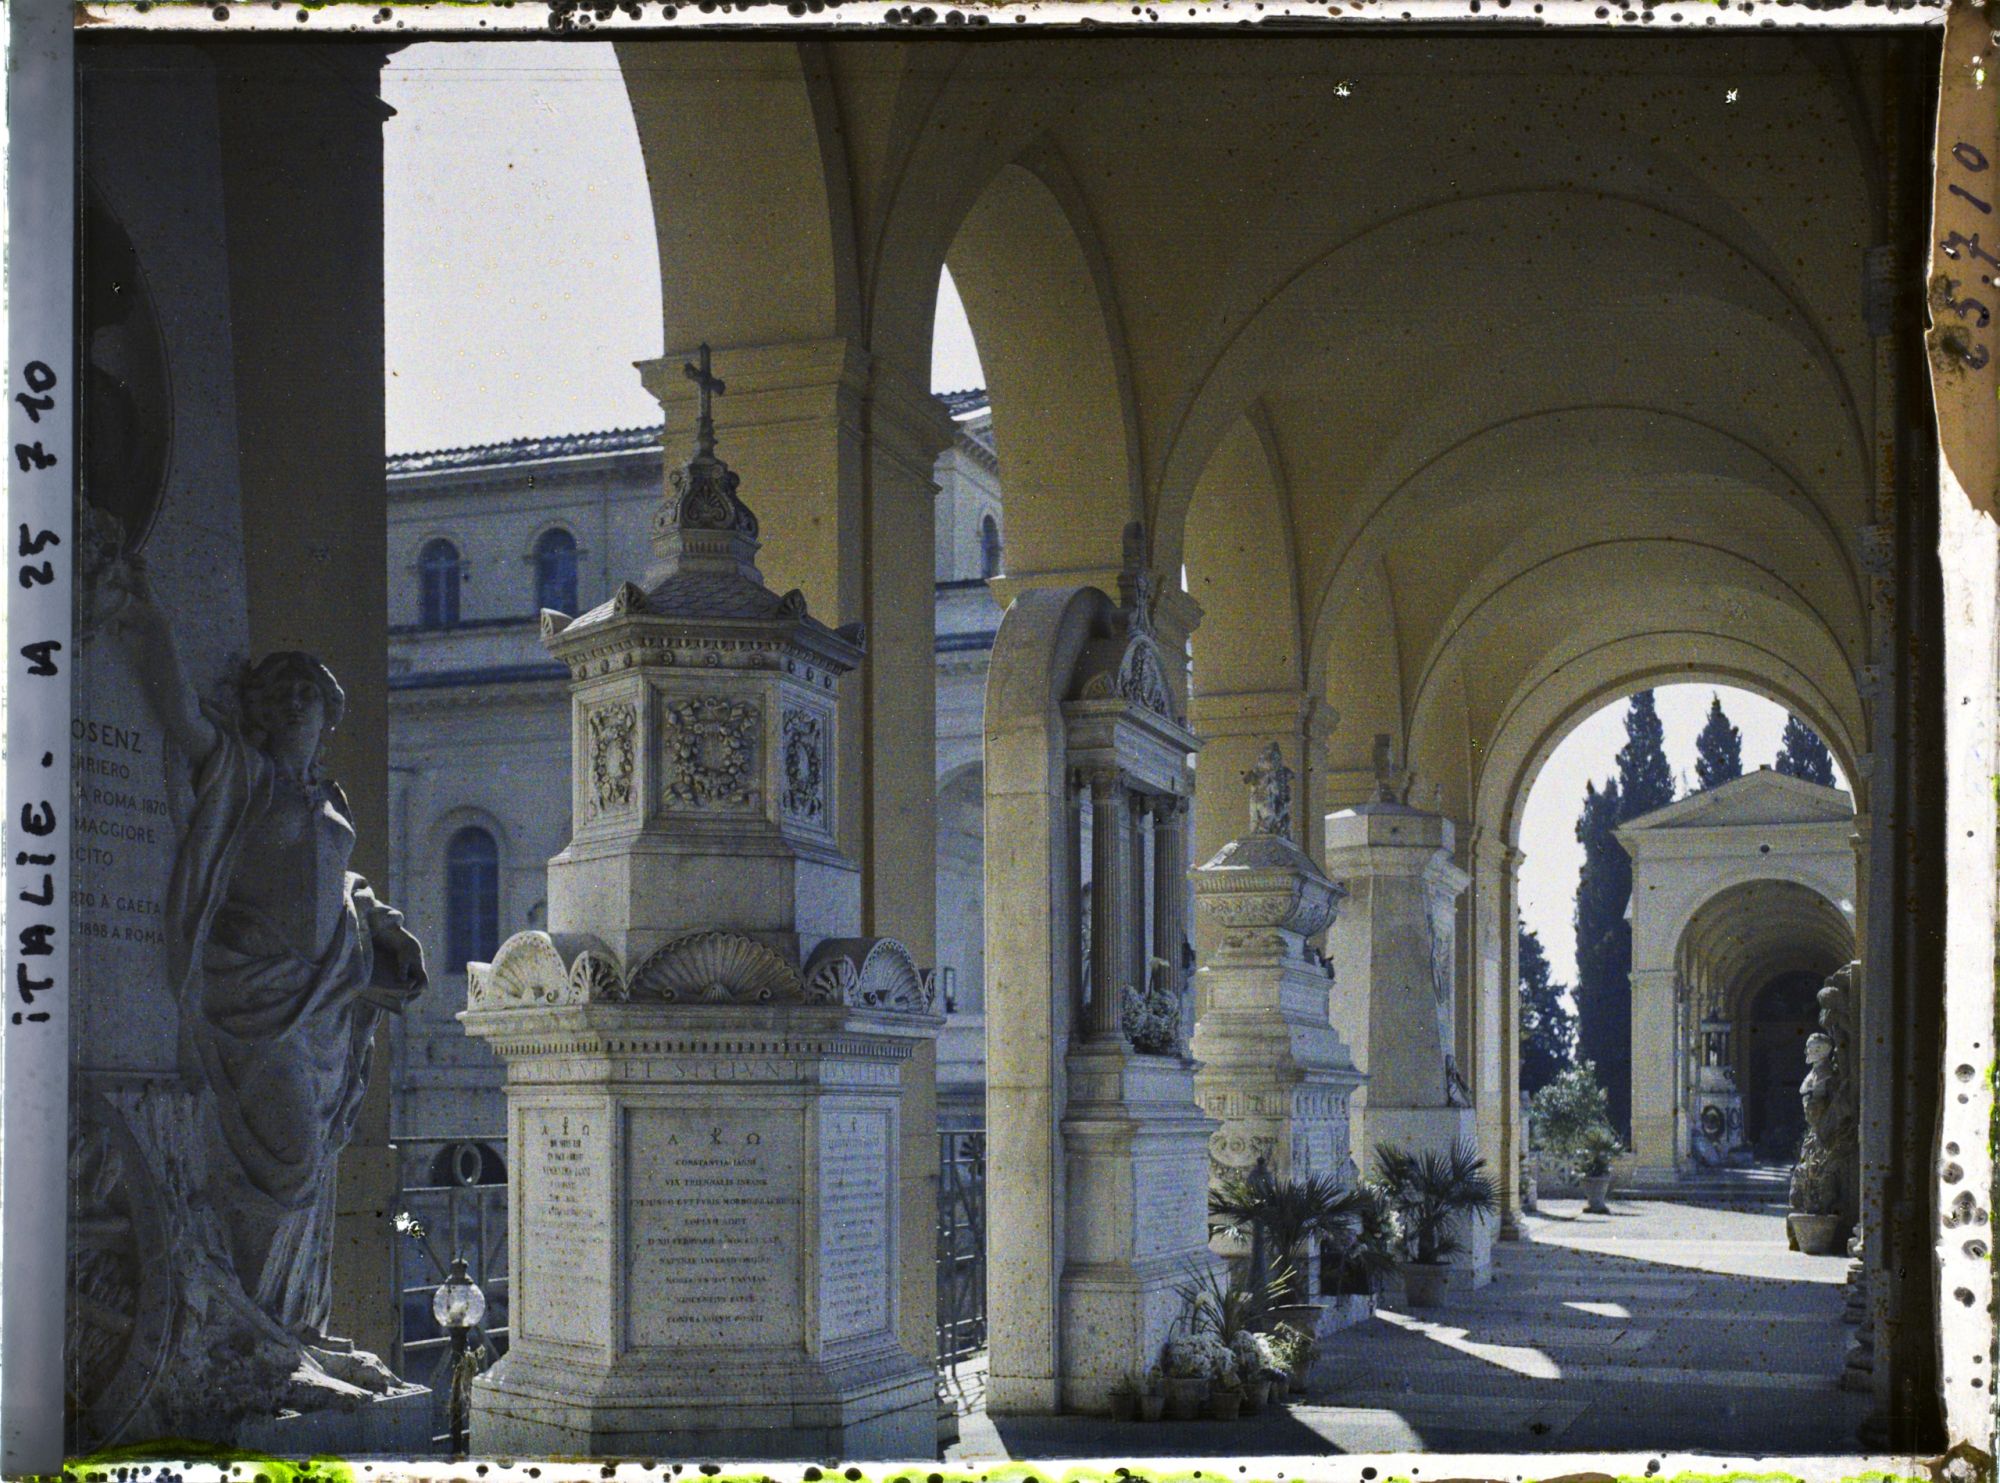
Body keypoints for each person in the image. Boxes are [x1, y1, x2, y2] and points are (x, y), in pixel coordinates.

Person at [103, 556, 426, 1343]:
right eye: (278, 691)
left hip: (324, 1002)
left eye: (306, 690)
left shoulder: (330, 799)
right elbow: (179, 711)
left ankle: (290, 1322)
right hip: (254, 994)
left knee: (310, 1164)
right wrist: (148, 623)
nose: (293, 701)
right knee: (284, 1157)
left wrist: (380, 919)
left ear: (327, 709)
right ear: (258, 708)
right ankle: (249, 1326)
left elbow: (337, 878)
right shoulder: (242, 773)